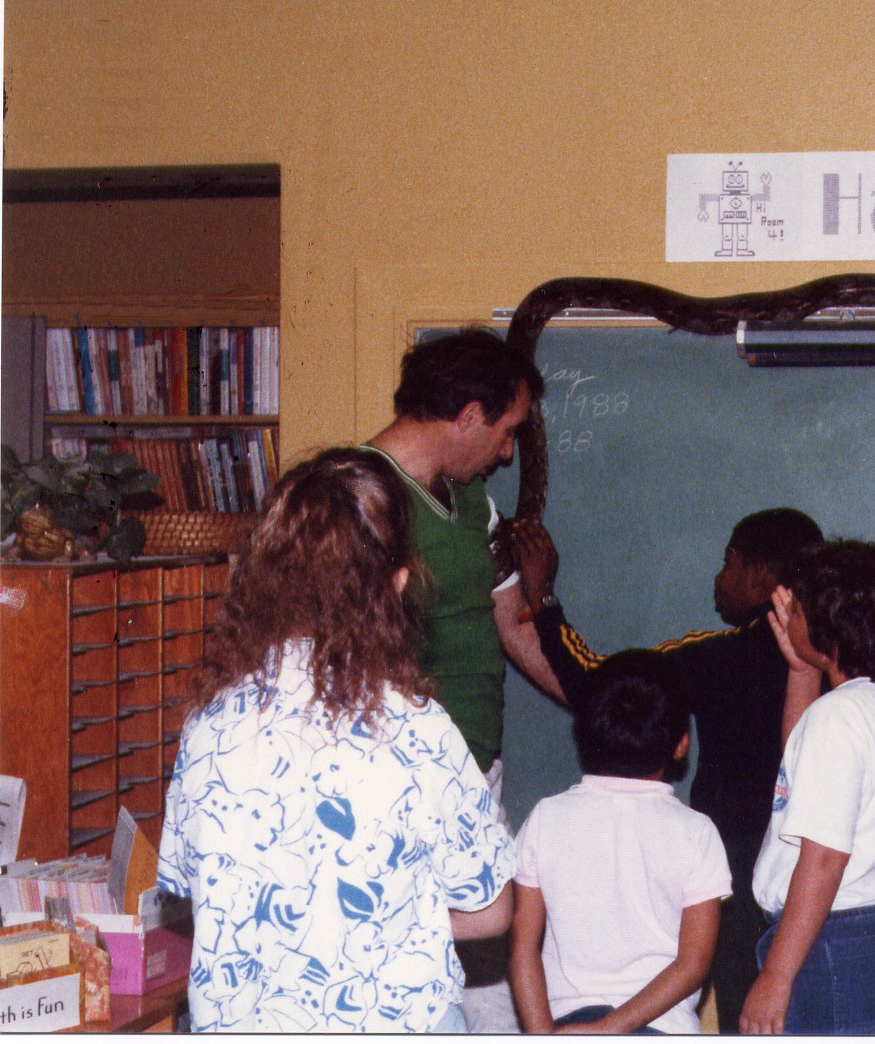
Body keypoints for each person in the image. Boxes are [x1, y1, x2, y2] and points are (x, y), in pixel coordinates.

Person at [157, 448, 515, 1033]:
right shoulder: (419, 729)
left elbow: (182, 884)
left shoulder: (209, 726)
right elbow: (490, 908)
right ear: (398, 583)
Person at [511, 507, 823, 1032]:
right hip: (819, 869)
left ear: (764, 577)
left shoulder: (725, 654)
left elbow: (600, 681)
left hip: (742, 868)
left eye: (730, 563)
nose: (718, 579)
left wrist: (544, 602)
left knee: (746, 1014)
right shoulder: (839, 659)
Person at [364, 326, 564, 1030]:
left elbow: (512, 625)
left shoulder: (473, 501)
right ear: (469, 415)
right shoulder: (356, 495)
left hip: (479, 769)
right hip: (399, 779)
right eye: (505, 431)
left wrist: (598, 703)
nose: (507, 452)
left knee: (489, 967)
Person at [740, 539, 875, 1035]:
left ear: (828, 627)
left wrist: (776, 977)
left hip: (831, 940)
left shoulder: (839, 718)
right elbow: (806, 778)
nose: (788, 615)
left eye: (798, 609)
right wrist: (802, 668)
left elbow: (825, 856)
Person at [509, 649, 732, 1034]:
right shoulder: (698, 832)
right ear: (681, 744)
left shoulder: (546, 817)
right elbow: (693, 965)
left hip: (565, 1024)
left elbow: (522, 949)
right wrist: (607, 1029)